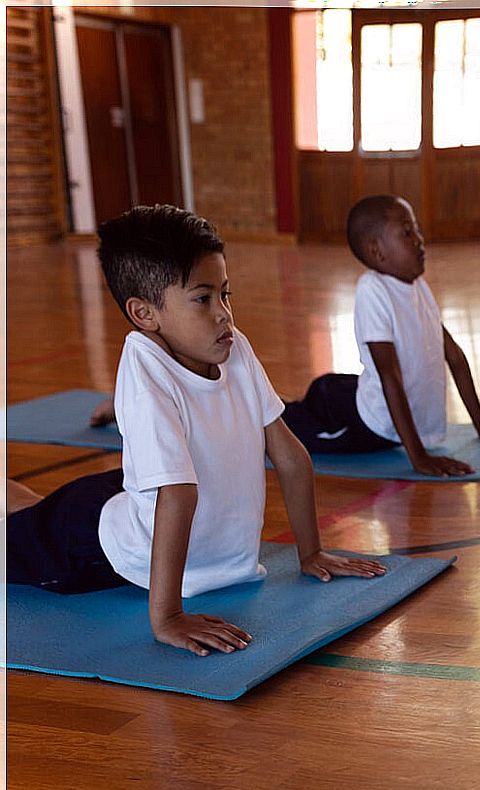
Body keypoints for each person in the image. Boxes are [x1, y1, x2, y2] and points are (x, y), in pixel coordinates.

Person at [7, 204, 386, 657]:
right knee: (24, 532)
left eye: (226, 293)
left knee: (37, 511)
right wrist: (167, 617)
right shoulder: (145, 372)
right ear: (145, 314)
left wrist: (312, 554)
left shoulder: (234, 348)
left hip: (133, 499)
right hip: (92, 545)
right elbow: (178, 493)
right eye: (203, 299)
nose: (224, 313)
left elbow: (289, 454)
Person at [281, 195, 480, 477]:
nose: (419, 239)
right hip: (367, 422)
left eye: (417, 230)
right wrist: (418, 458)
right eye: (407, 232)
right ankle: (259, 406)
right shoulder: (372, 290)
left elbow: (455, 356)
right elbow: (390, 375)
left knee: (337, 387)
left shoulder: (418, 288)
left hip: (361, 395)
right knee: (287, 426)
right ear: (377, 251)